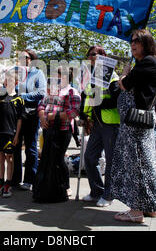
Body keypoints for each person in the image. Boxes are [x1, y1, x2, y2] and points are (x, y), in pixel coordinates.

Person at [111, 29, 156, 223]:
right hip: (138, 121)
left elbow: (124, 84)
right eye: (132, 41)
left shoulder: (148, 62)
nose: (133, 44)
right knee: (145, 163)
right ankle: (149, 206)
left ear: (147, 43)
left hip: (136, 123)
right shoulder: (148, 63)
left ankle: (136, 210)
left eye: (137, 41)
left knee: (136, 164)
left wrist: (123, 75)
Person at [79, 45, 120, 208]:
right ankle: (97, 190)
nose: (91, 57)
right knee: (89, 157)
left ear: (103, 56)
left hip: (111, 122)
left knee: (110, 160)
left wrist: (97, 102)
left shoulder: (113, 76)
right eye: (89, 55)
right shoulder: (91, 77)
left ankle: (109, 194)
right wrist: (84, 114)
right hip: (96, 122)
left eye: (94, 54)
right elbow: (86, 97)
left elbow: (116, 99)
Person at [34, 67, 81, 202]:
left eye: (59, 75)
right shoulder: (52, 90)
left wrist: (52, 116)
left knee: (59, 158)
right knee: (48, 158)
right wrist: (43, 117)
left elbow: (73, 112)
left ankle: (65, 186)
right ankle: (49, 185)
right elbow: (41, 105)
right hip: (48, 128)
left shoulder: (72, 91)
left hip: (63, 130)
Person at [12, 49, 47, 191]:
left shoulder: (38, 73)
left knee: (31, 147)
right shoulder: (15, 72)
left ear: (31, 59)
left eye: (24, 57)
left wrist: (23, 97)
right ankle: (14, 178)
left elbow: (41, 92)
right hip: (15, 113)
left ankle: (30, 180)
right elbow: (7, 87)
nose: (21, 59)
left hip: (31, 113)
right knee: (14, 145)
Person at [0, 68, 24, 198]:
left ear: (17, 82)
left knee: (10, 158)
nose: (8, 82)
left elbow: (20, 119)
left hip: (11, 132)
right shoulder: (0, 96)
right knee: (1, 158)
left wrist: (17, 135)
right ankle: (1, 183)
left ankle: (9, 183)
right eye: (6, 80)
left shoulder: (19, 99)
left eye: (11, 80)